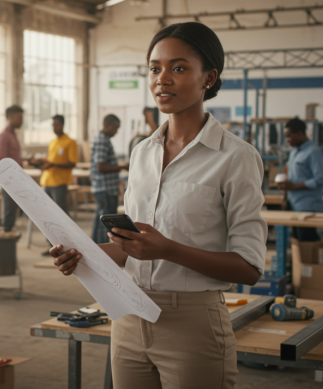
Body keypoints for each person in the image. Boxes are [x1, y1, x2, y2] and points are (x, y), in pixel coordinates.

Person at [51, 22, 266, 388]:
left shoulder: (235, 157)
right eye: (155, 68)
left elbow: (248, 267)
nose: (162, 79)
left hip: (193, 325)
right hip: (129, 316)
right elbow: (131, 248)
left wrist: (167, 249)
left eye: (178, 68)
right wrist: (83, 255)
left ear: (208, 78)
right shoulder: (141, 153)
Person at [280, 117, 323, 242]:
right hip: (294, 204)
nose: (287, 141)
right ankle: (299, 262)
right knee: (297, 241)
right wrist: (286, 187)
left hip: (308, 207)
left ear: (299, 134)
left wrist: (294, 186)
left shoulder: (313, 152)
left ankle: (306, 262)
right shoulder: (294, 152)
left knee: (307, 241)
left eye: (289, 136)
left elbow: (322, 179)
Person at [89, 114, 128, 244]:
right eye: (115, 128)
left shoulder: (103, 139)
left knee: (99, 221)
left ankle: (96, 247)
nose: (116, 132)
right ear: (106, 126)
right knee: (105, 223)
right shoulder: (102, 140)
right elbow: (101, 167)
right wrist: (122, 166)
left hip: (103, 188)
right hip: (105, 189)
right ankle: (101, 252)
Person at [35, 115, 78, 215]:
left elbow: (72, 163)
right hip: (47, 181)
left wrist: (53, 165)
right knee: (49, 212)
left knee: (61, 212)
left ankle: (68, 230)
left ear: (62, 125)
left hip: (60, 182)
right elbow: (50, 160)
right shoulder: (53, 142)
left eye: (56, 125)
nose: (54, 127)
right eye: (53, 125)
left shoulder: (70, 142)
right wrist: (40, 162)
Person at [0, 105, 25, 232]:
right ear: (10, 118)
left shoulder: (13, 135)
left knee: (12, 214)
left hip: (16, 179)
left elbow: (14, 158)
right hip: (9, 180)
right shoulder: (3, 136)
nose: (22, 121)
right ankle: (5, 245)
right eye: (19, 118)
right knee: (8, 215)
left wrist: (26, 160)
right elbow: (1, 161)